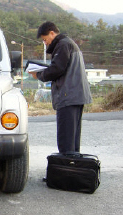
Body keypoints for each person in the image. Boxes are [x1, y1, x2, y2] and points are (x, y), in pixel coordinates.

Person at [30, 21, 92, 154]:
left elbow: (57, 69)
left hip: (68, 96)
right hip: (76, 95)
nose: (45, 43)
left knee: (66, 140)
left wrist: (39, 74)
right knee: (72, 139)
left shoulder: (63, 45)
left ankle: (66, 171)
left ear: (52, 33)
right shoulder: (69, 44)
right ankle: (72, 169)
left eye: (45, 39)